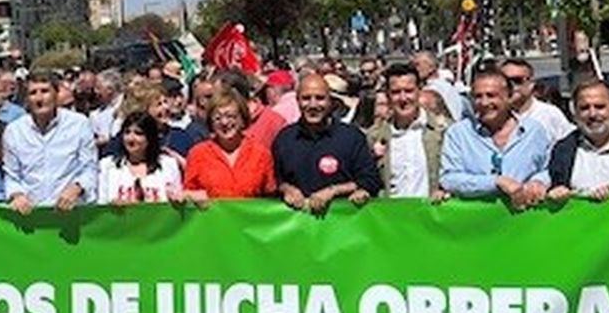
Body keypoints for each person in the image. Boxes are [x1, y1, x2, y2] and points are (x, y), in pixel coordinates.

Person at [438, 70, 552, 207]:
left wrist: (539, 182)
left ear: (509, 97)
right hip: (479, 220)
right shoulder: (458, 134)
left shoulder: (534, 131)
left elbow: (549, 169)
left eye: (491, 95)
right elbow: (449, 179)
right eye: (478, 96)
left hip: (526, 220)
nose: (484, 102)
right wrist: (495, 182)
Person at [271, 73, 382, 214]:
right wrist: (286, 189)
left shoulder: (352, 137)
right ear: (297, 101)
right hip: (298, 228)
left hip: (342, 226)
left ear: (331, 101)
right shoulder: (284, 139)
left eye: (320, 98)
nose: (313, 104)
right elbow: (273, 181)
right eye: (306, 98)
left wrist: (334, 191)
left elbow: (371, 180)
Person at [2, 71, 98, 214]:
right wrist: (17, 195)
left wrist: (77, 188)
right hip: (32, 216)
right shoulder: (13, 132)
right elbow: (11, 176)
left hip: (72, 214)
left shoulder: (79, 125)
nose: (39, 98)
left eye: (45, 91)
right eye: (33, 93)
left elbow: (90, 168)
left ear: (56, 93)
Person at [364, 64, 447, 200]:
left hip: (430, 216)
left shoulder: (441, 131)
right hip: (392, 216)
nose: (403, 98)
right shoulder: (374, 135)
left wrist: (443, 190)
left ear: (419, 91)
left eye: (409, 91)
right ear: (388, 95)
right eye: (396, 92)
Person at [182, 89, 277, 200]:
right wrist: (191, 196)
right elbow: (188, 194)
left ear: (242, 118)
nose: (224, 122)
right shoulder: (197, 154)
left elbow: (270, 198)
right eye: (217, 118)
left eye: (230, 116)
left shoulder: (261, 154)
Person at [97, 111, 183, 204]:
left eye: (138, 133)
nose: (131, 138)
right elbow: (101, 205)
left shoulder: (168, 165)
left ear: (150, 138)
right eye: (127, 132)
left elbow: (178, 202)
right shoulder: (107, 166)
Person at [500, 58, 570, 148]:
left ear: (531, 84)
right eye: (505, 81)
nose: (511, 86)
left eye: (517, 80)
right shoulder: (493, 116)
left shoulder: (550, 114)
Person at [413, 51, 467, 120]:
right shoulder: (446, 86)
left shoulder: (433, 89)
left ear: (431, 67)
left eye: (417, 65)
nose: (414, 69)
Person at [159, 78, 205, 158]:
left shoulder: (197, 123)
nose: (178, 101)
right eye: (172, 96)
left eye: (180, 95)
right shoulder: (161, 130)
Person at [88, 71, 124, 148]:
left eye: (98, 88)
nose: (95, 91)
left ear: (110, 89)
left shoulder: (127, 104)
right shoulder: (95, 114)